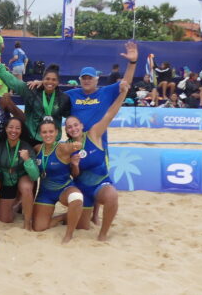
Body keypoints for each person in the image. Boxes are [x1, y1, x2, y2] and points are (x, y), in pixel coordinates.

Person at [64, 81, 130, 241]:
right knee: (82, 227)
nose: (73, 128)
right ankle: (71, 216)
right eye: (69, 127)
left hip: (100, 183)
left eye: (75, 125)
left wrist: (123, 94)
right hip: (82, 188)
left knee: (112, 196)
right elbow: (74, 175)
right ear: (66, 130)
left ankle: (103, 235)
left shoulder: (93, 134)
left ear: (81, 125)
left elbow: (110, 114)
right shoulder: (66, 147)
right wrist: (74, 165)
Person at [65, 41, 138, 146]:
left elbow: (125, 83)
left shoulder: (105, 92)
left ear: (97, 80)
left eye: (90, 78)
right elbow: (51, 94)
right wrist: (42, 82)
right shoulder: (70, 94)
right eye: (84, 78)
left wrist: (132, 62)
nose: (87, 81)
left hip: (98, 143)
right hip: (75, 144)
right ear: (80, 80)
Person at [32, 120, 84, 243]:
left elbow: (76, 145)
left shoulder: (62, 148)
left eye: (51, 131)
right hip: (45, 192)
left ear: (56, 132)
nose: (48, 135)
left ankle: (69, 234)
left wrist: (75, 145)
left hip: (64, 188)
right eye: (44, 132)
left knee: (76, 197)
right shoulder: (37, 149)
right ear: (40, 134)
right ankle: (64, 216)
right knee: (39, 227)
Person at [0, 63, 70, 144]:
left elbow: (69, 115)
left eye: (54, 80)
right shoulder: (31, 90)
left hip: (53, 141)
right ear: (43, 79)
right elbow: (14, 83)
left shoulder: (64, 98)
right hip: (32, 139)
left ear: (58, 82)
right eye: (47, 79)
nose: (50, 82)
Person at [0, 118, 40, 230]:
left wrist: (27, 160)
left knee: (27, 188)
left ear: (21, 131)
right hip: (7, 180)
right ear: (5, 129)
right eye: (11, 127)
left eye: (17, 128)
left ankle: (27, 222)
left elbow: (35, 176)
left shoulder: (26, 146)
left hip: (21, 176)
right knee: (5, 219)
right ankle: (12, 205)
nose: (14, 130)